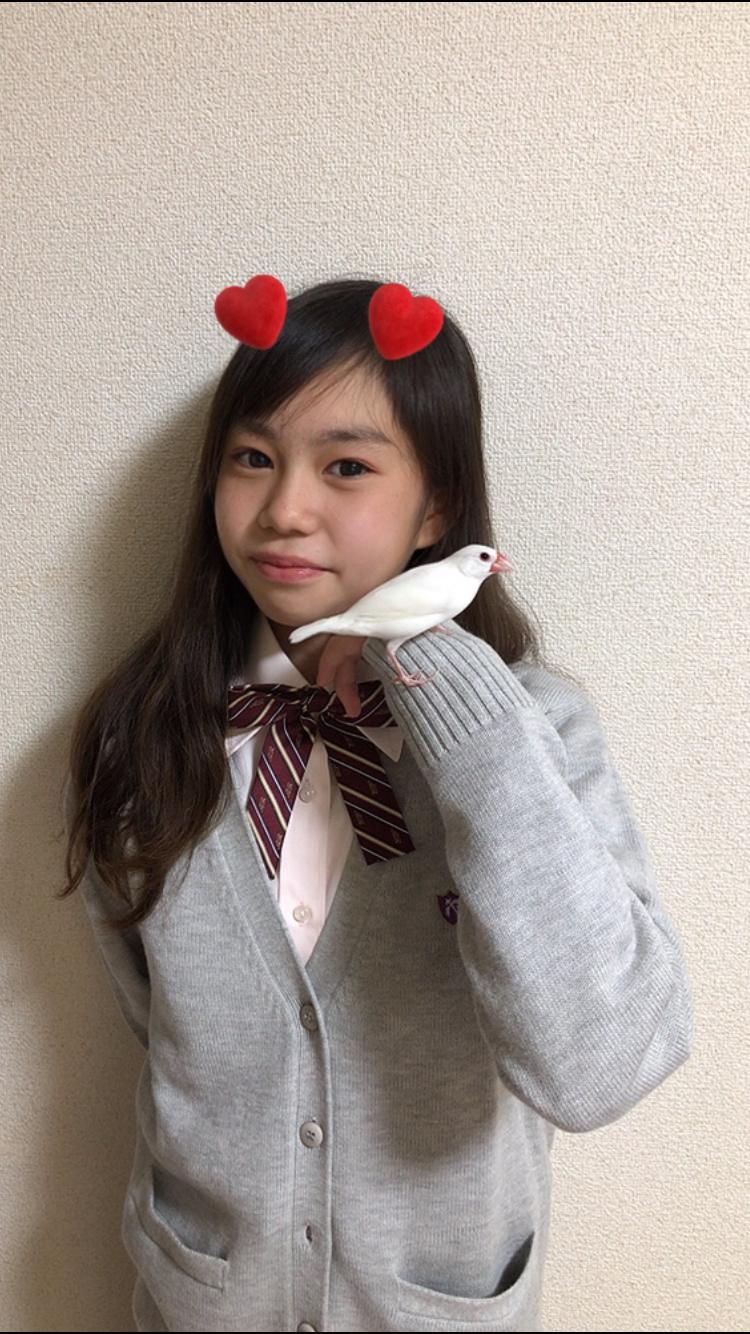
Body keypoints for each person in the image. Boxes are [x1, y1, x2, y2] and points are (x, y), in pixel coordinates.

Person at [58, 275, 693, 1333]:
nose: (284, 509)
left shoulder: (535, 734)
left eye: (346, 465)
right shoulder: (144, 735)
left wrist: (461, 708)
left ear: (436, 505)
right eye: (252, 457)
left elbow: (600, 1064)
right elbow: (156, 1016)